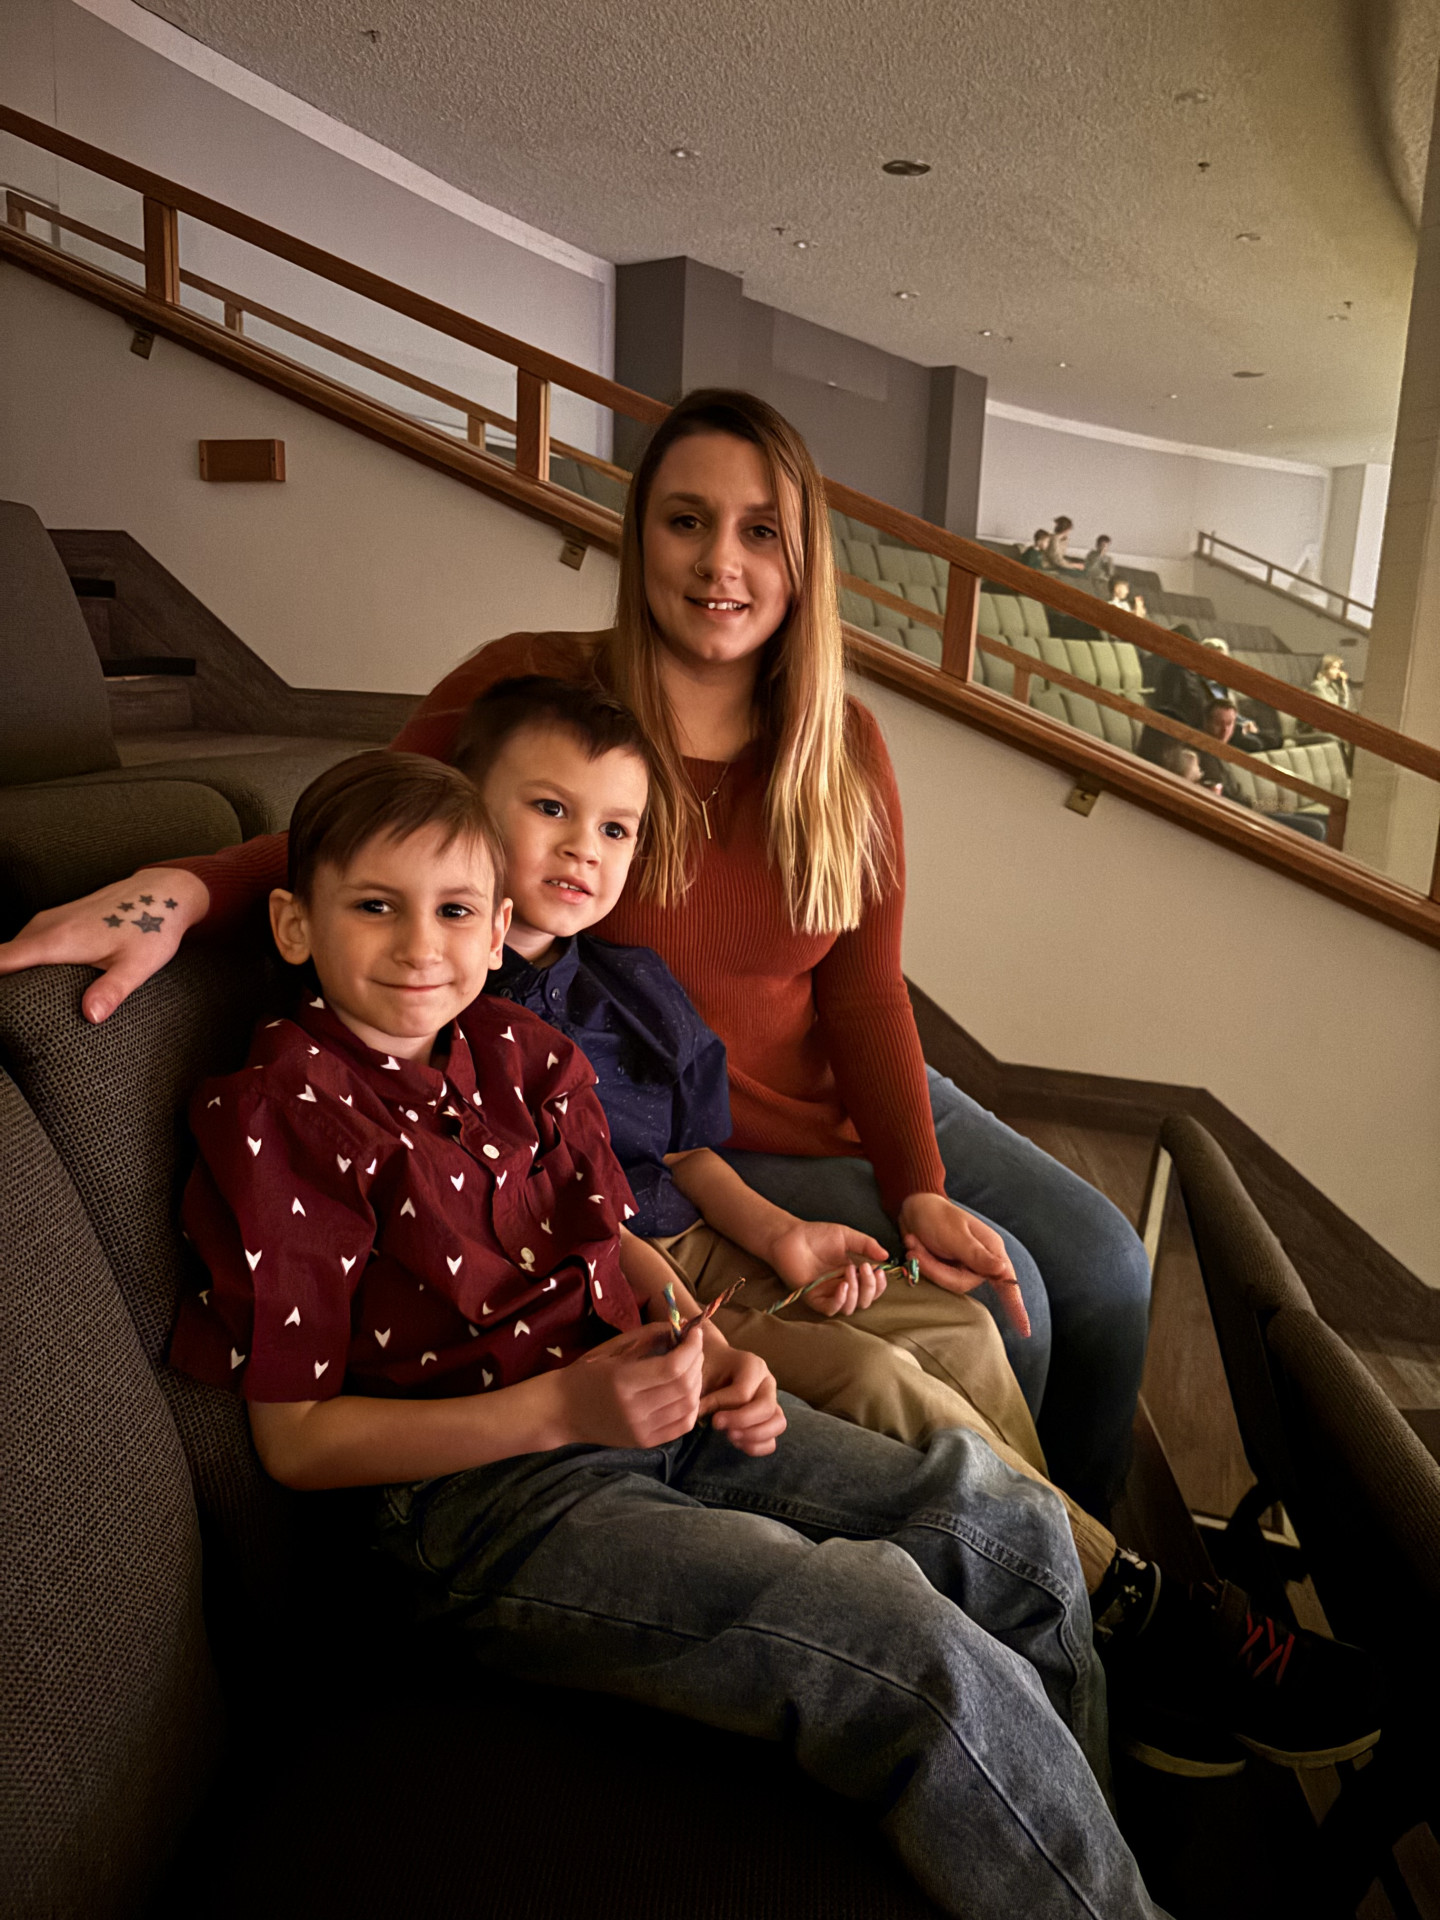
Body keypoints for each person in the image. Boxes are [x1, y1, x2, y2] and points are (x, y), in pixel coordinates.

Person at [0, 388, 1154, 1521]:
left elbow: (861, 991)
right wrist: (185, 889)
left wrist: (918, 1186)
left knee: (1104, 1265)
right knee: (1016, 1315)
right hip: (691, 1127)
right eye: (687, 520)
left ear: (806, 561)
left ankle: (1089, 1565)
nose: (721, 562)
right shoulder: (538, 692)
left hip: (826, 1083)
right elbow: (386, 839)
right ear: (639, 534)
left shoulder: (840, 741)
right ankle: (1071, 1572)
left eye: (762, 531)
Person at [168, 747, 1169, 1918]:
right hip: (479, 1506)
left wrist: (705, 1343)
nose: (420, 946)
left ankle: (1088, 1868)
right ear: (295, 925)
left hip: (641, 1406)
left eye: (455, 911)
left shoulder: (521, 1054)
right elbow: (294, 1440)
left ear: (496, 932)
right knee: (908, 1645)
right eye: (375, 908)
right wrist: (564, 1408)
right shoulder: (285, 1113)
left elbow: (609, 1240)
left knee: (1019, 1532)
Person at [454, 675, 1383, 1780]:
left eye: (617, 829)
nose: (584, 848)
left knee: (962, 1328)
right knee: (886, 1382)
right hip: (628, 1284)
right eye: (549, 810)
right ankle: (1130, 1611)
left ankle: (1068, 1606)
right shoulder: (448, 996)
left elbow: (689, 1155)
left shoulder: (627, 983)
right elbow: (559, 1219)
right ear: (467, 808)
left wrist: (786, 1237)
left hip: (706, 1237)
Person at [1198, 699, 1328, 842]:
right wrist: (1259, 806)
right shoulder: (1203, 753)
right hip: (1244, 817)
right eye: (1219, 724)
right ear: (1206, 723)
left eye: (1229, 724)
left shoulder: (1222, 750)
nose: (1225, 730)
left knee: (1327, 820)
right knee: (1316, 828)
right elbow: (1224, 799)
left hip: (1252, 809)